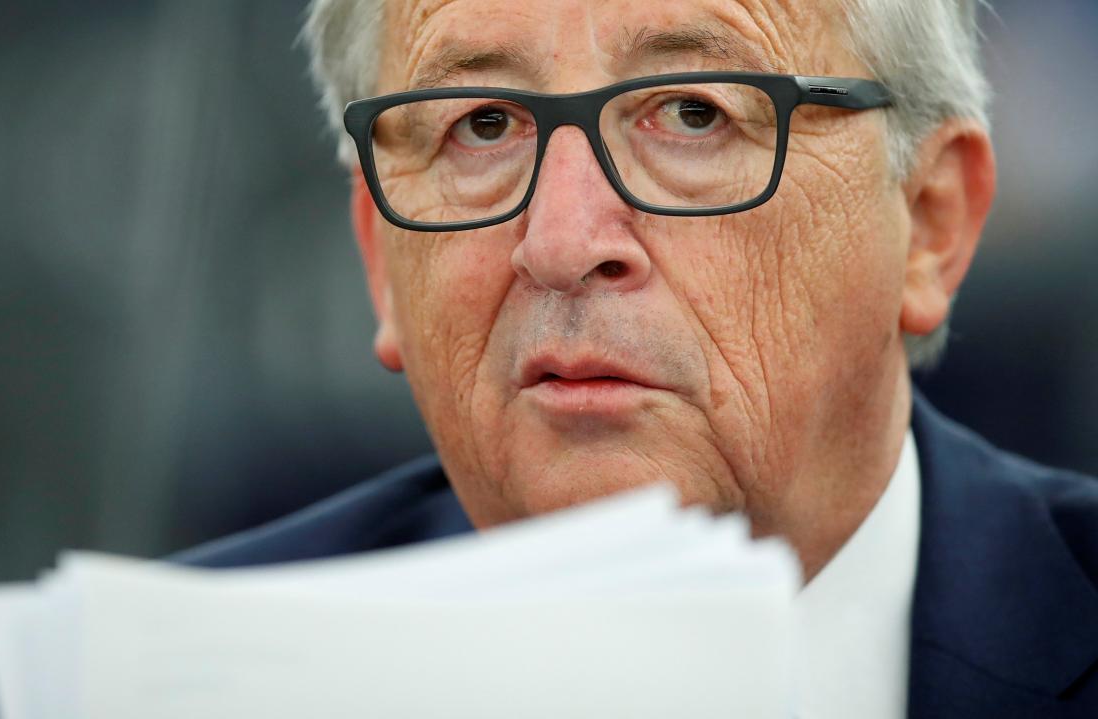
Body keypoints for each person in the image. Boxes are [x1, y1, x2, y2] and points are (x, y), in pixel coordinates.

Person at [175, 1, 1098, 716]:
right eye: (483, 126)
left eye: (694, 113)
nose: (563, 239)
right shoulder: (178, 680)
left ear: (929, 223)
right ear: (380, 262)